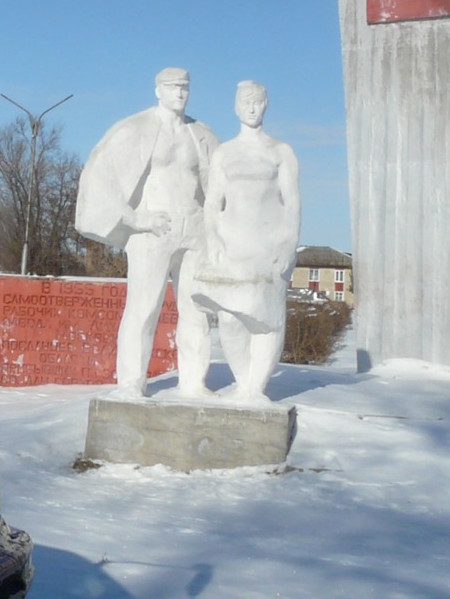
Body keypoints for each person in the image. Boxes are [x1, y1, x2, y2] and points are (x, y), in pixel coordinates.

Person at [75, 67, 219, 394]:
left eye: (184, 87)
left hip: (195, 229)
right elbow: (100, 178)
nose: (179, 93)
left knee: (197, 310)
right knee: (143, 308)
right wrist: (135, 219)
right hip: (153, 230)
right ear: (158, 90)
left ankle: (194, 383)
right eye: (172, 87)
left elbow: (220, 188)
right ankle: (130, 383)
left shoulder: (202, 135)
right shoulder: (135, 129)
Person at [193, 81, 301, 402]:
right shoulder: (225, 152)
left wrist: (289, 244)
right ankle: (243, 382)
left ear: (266, 104)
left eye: (256, 101)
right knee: (229, 317)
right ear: (236, 107)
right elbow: (213, 203)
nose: (251, 107)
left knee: (267, 319)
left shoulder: (282, 152)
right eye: (245, 102)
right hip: (233, 245)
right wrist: (212, 236)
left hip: (269, 246)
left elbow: (292, 203)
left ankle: (255, 388)